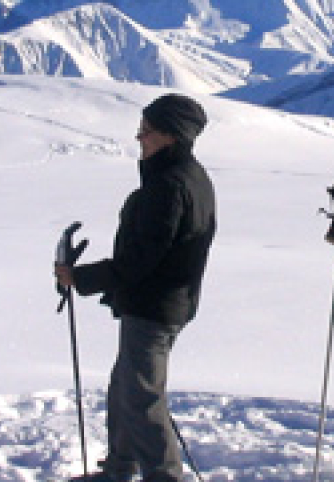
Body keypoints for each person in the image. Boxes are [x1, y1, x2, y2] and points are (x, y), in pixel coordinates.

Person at [55, 94, 217, 482]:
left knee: (142, 398)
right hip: (163, 303)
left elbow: (143, 258)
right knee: (125, 389)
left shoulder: (169, 185)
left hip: (155, 308)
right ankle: (119, 469)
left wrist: (80, 278)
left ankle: (161, 476)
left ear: (171, 136)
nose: (139, 137)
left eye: (147, 130)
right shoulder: (186, 176)